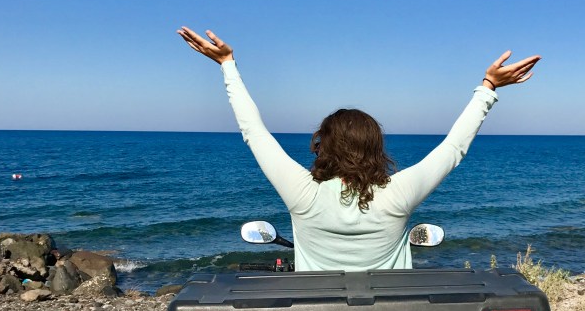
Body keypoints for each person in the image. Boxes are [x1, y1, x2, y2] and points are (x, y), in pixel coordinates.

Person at [177, 26, 540, 272]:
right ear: (376, 148)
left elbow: (253, 132)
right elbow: (453, 148)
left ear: (322, 146)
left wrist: (227, 65)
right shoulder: (397, 194)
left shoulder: (302, 193)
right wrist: (488, 86)